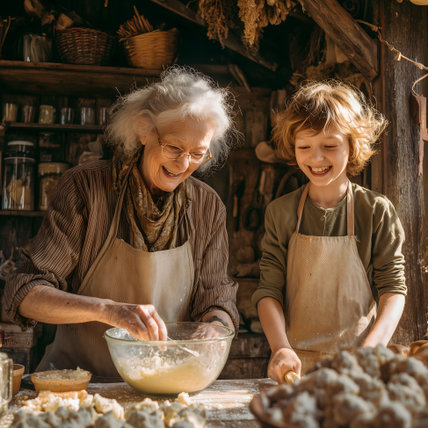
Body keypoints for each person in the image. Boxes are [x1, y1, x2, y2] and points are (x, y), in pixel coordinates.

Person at [4, 66, 239, 378]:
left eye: (198, 154)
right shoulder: (85, 189)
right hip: (77, 385)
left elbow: (217, 301)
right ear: (144, 130)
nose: (184, 164)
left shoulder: (208, 207)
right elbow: (25, 294)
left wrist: (214, 327)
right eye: (174, 148)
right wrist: (107, 310)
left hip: (160, 387)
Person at [252, 80, 407, 383]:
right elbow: (268, 290)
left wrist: (371, 349)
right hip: (294, 369)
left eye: (330, 146)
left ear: (352, 145)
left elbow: (393, 289)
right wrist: (280, 348)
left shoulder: (375, 212)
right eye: (304, 147)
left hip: (359, 368)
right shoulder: (280, 213)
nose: (316, 158)